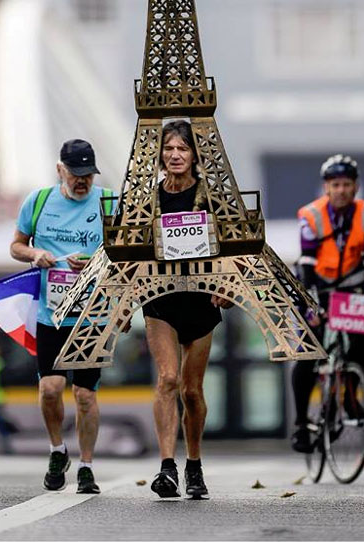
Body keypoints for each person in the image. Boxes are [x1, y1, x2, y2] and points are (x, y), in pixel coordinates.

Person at [10, 139, 112, 493]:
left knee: (85, 395)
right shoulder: (37, 201)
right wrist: (35, 253)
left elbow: (131, 253)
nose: (83, 181)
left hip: (93, 314)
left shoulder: (110, 203)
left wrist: (97, 263)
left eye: (88, 175)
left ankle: (86, 466)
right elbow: (16, 245)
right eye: (75, 174)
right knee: (50, 388)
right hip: (51, 314)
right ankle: (57, 449)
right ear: (60, 170)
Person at [144, 119, 231, 501]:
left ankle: (193, 464)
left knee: (192, 391)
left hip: (200, 299)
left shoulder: (213, 197)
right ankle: (167, 468)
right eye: (169, 149)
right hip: (161, 299)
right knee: (167, 380)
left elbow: (237, 246)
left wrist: (228, 286)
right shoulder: (147, 200)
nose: (175, 155)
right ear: (159, 155)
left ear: (196, 154)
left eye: (182, 148)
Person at [291, 154, 364, 453]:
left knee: (360, 344)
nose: (341, 190)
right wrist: (312, 306)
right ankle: (303, 423)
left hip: (351, 288)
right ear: (326, 188)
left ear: (356, 187)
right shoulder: (311, 215)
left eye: (346, 184)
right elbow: (305, 265)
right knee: (307, 353)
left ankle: (349, 393)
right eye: (335, 184)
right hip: (315, 285)